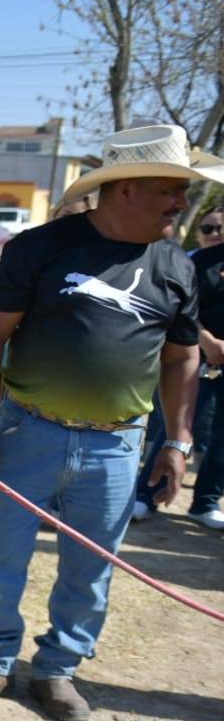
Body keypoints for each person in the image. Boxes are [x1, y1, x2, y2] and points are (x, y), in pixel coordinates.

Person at [0, 123, 214, 721]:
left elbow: (181, 359)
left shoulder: (178, 267)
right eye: (169, 189)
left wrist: (177, 441)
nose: (181, 203)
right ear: (123, 190)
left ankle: (59, 669)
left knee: (91, 568)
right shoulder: (40, 249)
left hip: (117, 448)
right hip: (27, 432)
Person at [131, 203, 224, 527]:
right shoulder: (194, 262)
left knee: (220, 441)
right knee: (175, 432)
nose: (214, 235)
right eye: (208, 228)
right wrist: (208, 342)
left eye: (220, 229)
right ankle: (145, 496)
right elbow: (180, 312)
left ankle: (206, 502)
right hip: (197, 360)